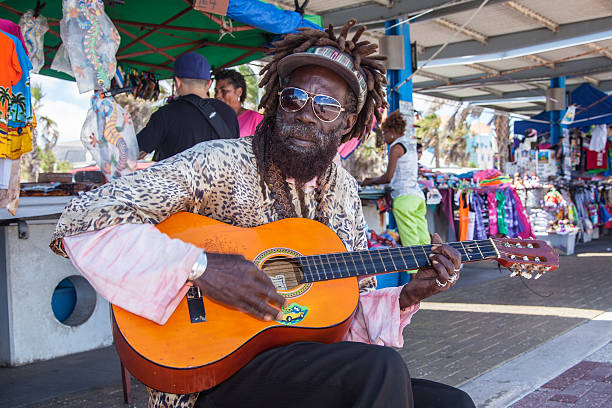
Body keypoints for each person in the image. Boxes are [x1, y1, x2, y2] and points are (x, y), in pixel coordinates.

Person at [50, 20, 475, 408]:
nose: (307, 113)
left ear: (347, 124)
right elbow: (83, 218)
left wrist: (406, 296)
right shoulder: (217, 163)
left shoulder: (343, 193)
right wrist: (199, 267)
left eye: (326, 106)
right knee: (378, 371)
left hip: (300, 362)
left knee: (450, 403)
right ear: (275, 103)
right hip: (209, 375)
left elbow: (347, 310)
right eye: (295, 97)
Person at [362, 111, 431, 288]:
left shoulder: (395, 148)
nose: (384, 138)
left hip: (404, 199)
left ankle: (414, 281)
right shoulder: (411, 146)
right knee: (423, 237)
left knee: (410, 242)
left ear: (392, 132)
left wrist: (370, 181)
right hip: (417, 197)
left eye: (384, 133)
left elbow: (388, 176)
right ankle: (430, 273)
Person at [136, 52, 239, 161]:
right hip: (221, 178)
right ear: (209, 83)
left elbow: (135, 152)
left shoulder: (165, 114)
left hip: (176, 178)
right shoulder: (229, 113)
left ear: (177, 82)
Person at [214, 68, 264, 137]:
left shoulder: (254, 118)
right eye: (216, 91)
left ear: (239, 92)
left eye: (224, 91)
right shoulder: (214, 118)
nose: (217, 96)